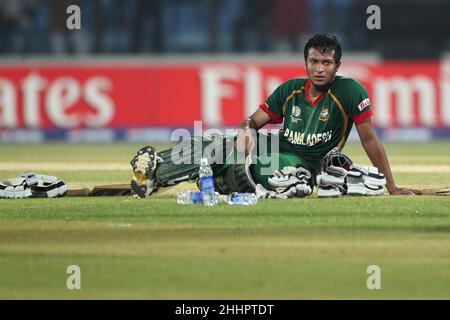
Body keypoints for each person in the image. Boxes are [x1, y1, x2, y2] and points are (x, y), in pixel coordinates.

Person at [130, 34, 417, 198]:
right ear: (305, 62)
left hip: (309, 164)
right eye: (313, 61)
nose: (319, 69)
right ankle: (156, 169)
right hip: (277, 147)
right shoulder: (290, 90)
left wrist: (391, 186)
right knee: (220, 142)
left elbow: (370, 141)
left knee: (273, 169)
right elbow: (252, 121)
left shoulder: (350, 91)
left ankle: (218, 179)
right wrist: (244, 131)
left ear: (337, 65)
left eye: (326, 63)